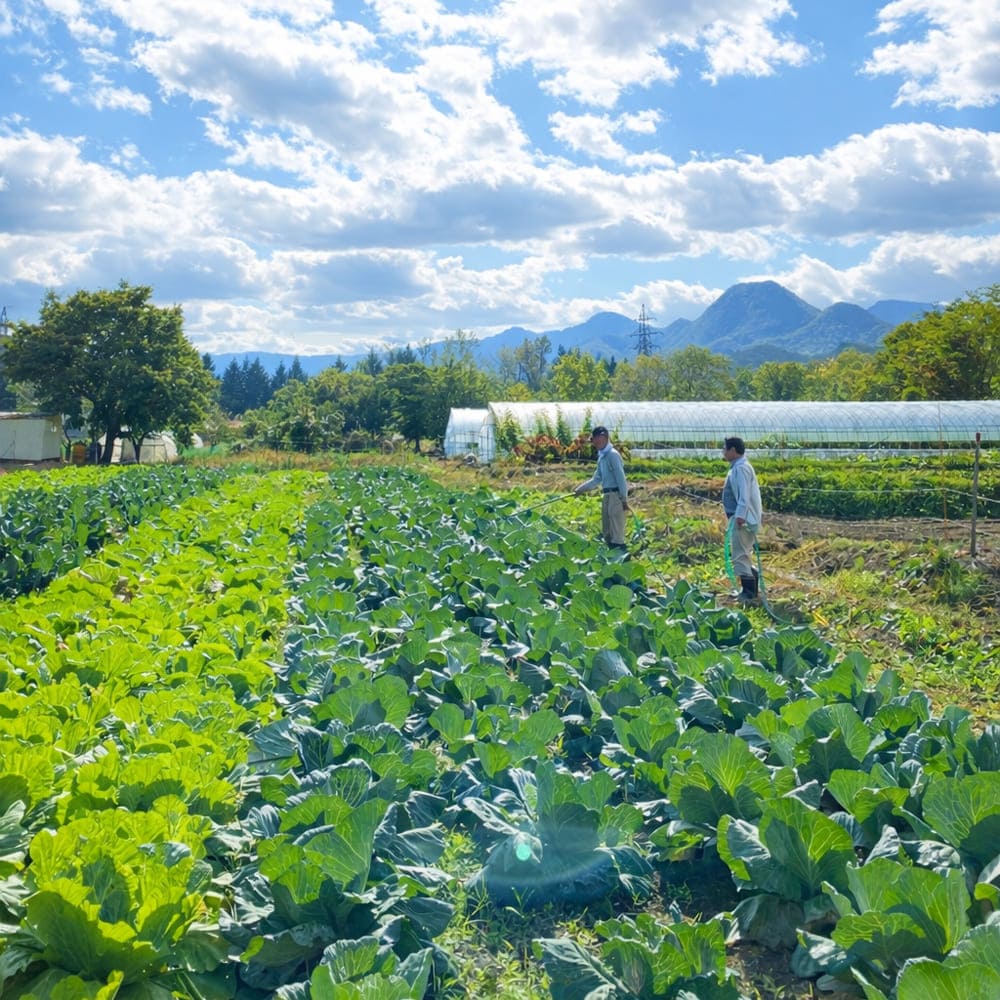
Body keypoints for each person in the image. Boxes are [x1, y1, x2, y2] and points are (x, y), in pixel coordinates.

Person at [573, 426, 630, 550]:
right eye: (593, 440)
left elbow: (621, 479)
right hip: (607, 495)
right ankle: (610, 560)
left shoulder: (613, 455)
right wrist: (580, 489)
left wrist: (624, 500)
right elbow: (596, 480)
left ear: (604, 438)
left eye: (597, 440)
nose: (595, 443)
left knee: (616, 531)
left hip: (616, 496)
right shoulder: (602, 457)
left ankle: (621, 557)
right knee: (607, 530)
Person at [722, 436, 763, 604]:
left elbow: (744, 495)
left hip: (742, 520)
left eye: (725, 449)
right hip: (742, 518)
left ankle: (748, 593)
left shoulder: (740, 469)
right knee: (744, 553)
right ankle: (750, 590)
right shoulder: (740, 467)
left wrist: (740, 516)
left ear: (733, 450)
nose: (723, 452)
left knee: (740, 555)